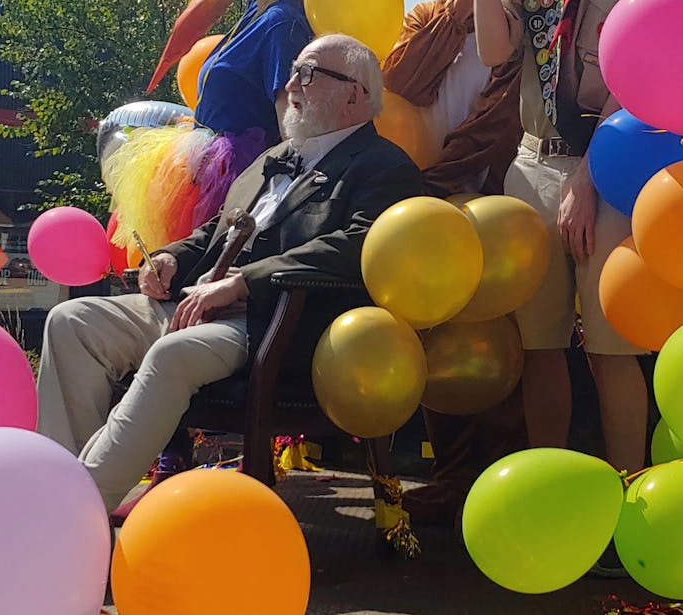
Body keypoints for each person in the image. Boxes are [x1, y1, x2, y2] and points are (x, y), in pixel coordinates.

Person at [38, 34, 423, 513]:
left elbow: (358, 247)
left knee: (173, 354)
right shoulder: (270, 161)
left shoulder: (385, 167)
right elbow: (214, 234)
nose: (290, 83)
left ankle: (71, 512)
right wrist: (171, 258)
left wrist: (246, 281)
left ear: (355, 94)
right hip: (194, 305)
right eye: (293, 69)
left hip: (272, 323)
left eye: (309, 73)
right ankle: (55, 483)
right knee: (71, 322)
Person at [472, 0, 683, 481]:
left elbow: (656, 75)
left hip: (619, 168)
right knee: (538, 345)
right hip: (534, 162)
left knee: (610, 346)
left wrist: (591, 177)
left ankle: (628, 498)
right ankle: (552, 491)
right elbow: (495, 50)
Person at [381, 0, 546, 525]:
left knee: (509, 339)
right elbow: (405, 80)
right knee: (437, 340)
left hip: (506, 200)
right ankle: (451, 474)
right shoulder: (428, 14)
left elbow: (509, 110)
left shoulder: (532, 16)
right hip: (430, 204)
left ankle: (507, 475)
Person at [104, 0, 315, 254]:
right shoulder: (262, 6)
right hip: (210, 166)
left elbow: (291, 117)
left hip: (236, 177)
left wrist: (289, 194)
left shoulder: (282, 23)